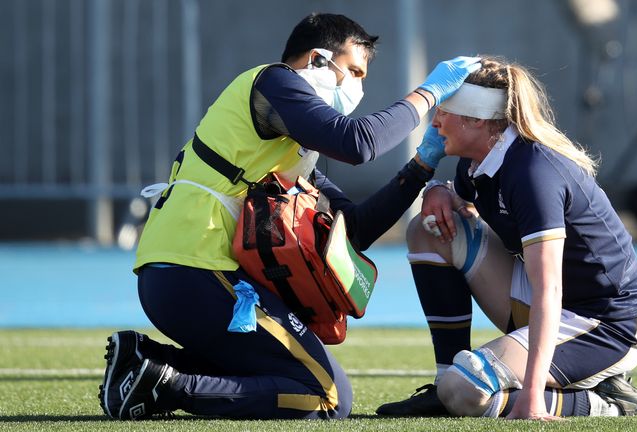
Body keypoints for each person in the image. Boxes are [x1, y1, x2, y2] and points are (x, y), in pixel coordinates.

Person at [98, 12, 480, 420]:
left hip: (186, 276)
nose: (358, 87)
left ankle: (146, 363)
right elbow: (358, 143)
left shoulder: (293, 149)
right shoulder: (273, 81)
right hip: (197, 270)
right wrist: (429, 93)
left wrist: (421, 166)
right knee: (327, 398)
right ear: (317, 59)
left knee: (298, 380)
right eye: (353, 71)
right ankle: (169, 387)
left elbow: (356, 231)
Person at [375, 56, 637, 420]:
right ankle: (444, 377)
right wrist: (438, 191)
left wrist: (532, 395)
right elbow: (464, 200)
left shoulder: (533, 172)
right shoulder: (480, 159)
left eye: (445, 110)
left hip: (604, 325)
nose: (436, 121)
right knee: (427, 230)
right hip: (554, 306)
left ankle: (606, 403)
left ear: (477, 119)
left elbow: (549, 289)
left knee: (464, 391)